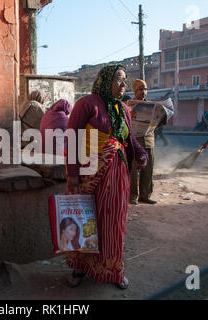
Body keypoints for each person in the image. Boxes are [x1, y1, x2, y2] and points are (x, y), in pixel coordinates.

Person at [65, 64, 148, 289]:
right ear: (106, 81)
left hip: (117, 174)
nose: (123, 84)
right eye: (119, 79)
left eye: (124, 80)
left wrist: (140, 154)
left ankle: (113, 270)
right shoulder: (87, 104)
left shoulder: (123, 108)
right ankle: (80, 267)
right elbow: (71, 139)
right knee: (86, 219)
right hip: (89, 174)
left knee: (113, 224)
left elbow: (128, 139)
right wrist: (72, 174)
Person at [129, 79, 159, 205]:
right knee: (133, 171)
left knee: (148, 170)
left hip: (148, 141)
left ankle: (145, 195)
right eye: (140, 89)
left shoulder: (152, 106)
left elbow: (159, 122)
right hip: (134, 142)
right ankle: (132, 196)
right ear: (135, 91)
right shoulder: (130, 105)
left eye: (145, 89)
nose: (143, 92)